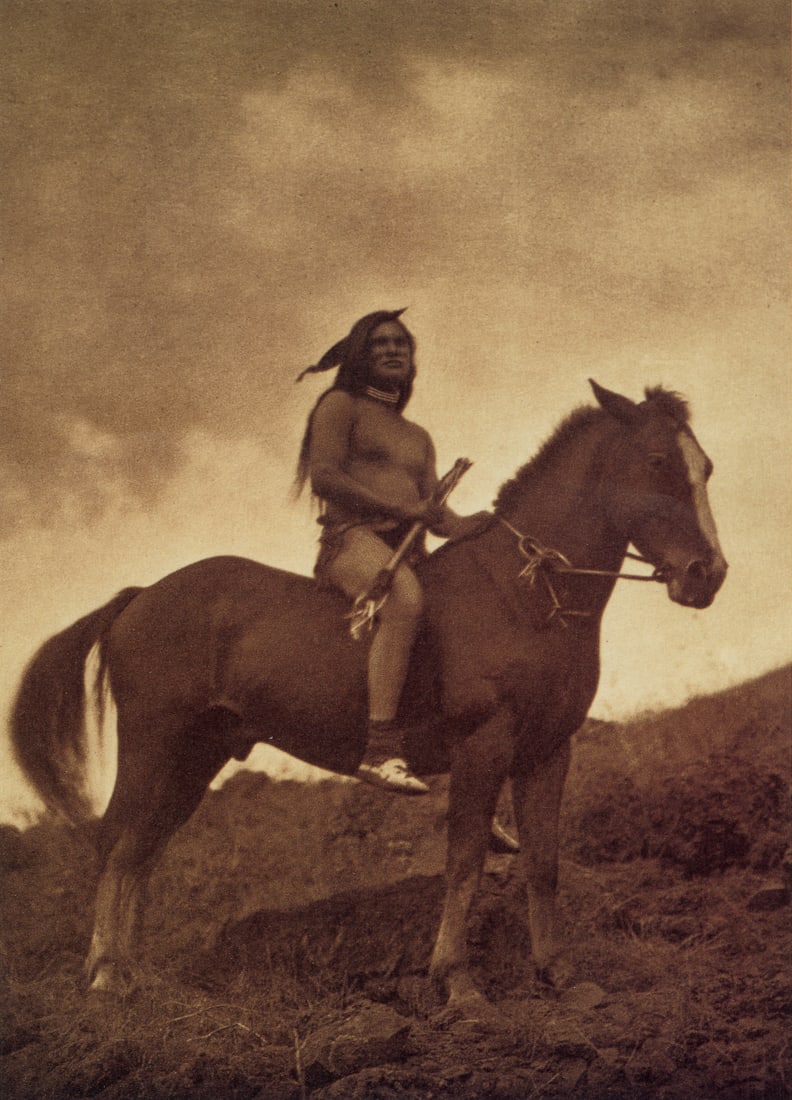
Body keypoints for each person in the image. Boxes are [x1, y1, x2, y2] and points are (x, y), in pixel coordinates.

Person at [295, 309, 491, 794]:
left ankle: (467, 769)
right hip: (353, 541)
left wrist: (477, 524)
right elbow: (326, 476)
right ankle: (379, 749)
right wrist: (400, 507)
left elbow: (436, 516)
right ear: (361, 354)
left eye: (400, 344)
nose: (392, 350)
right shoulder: (339, 406)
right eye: (380, 343)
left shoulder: (417, 436)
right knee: (403, 601)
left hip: (409, 550)